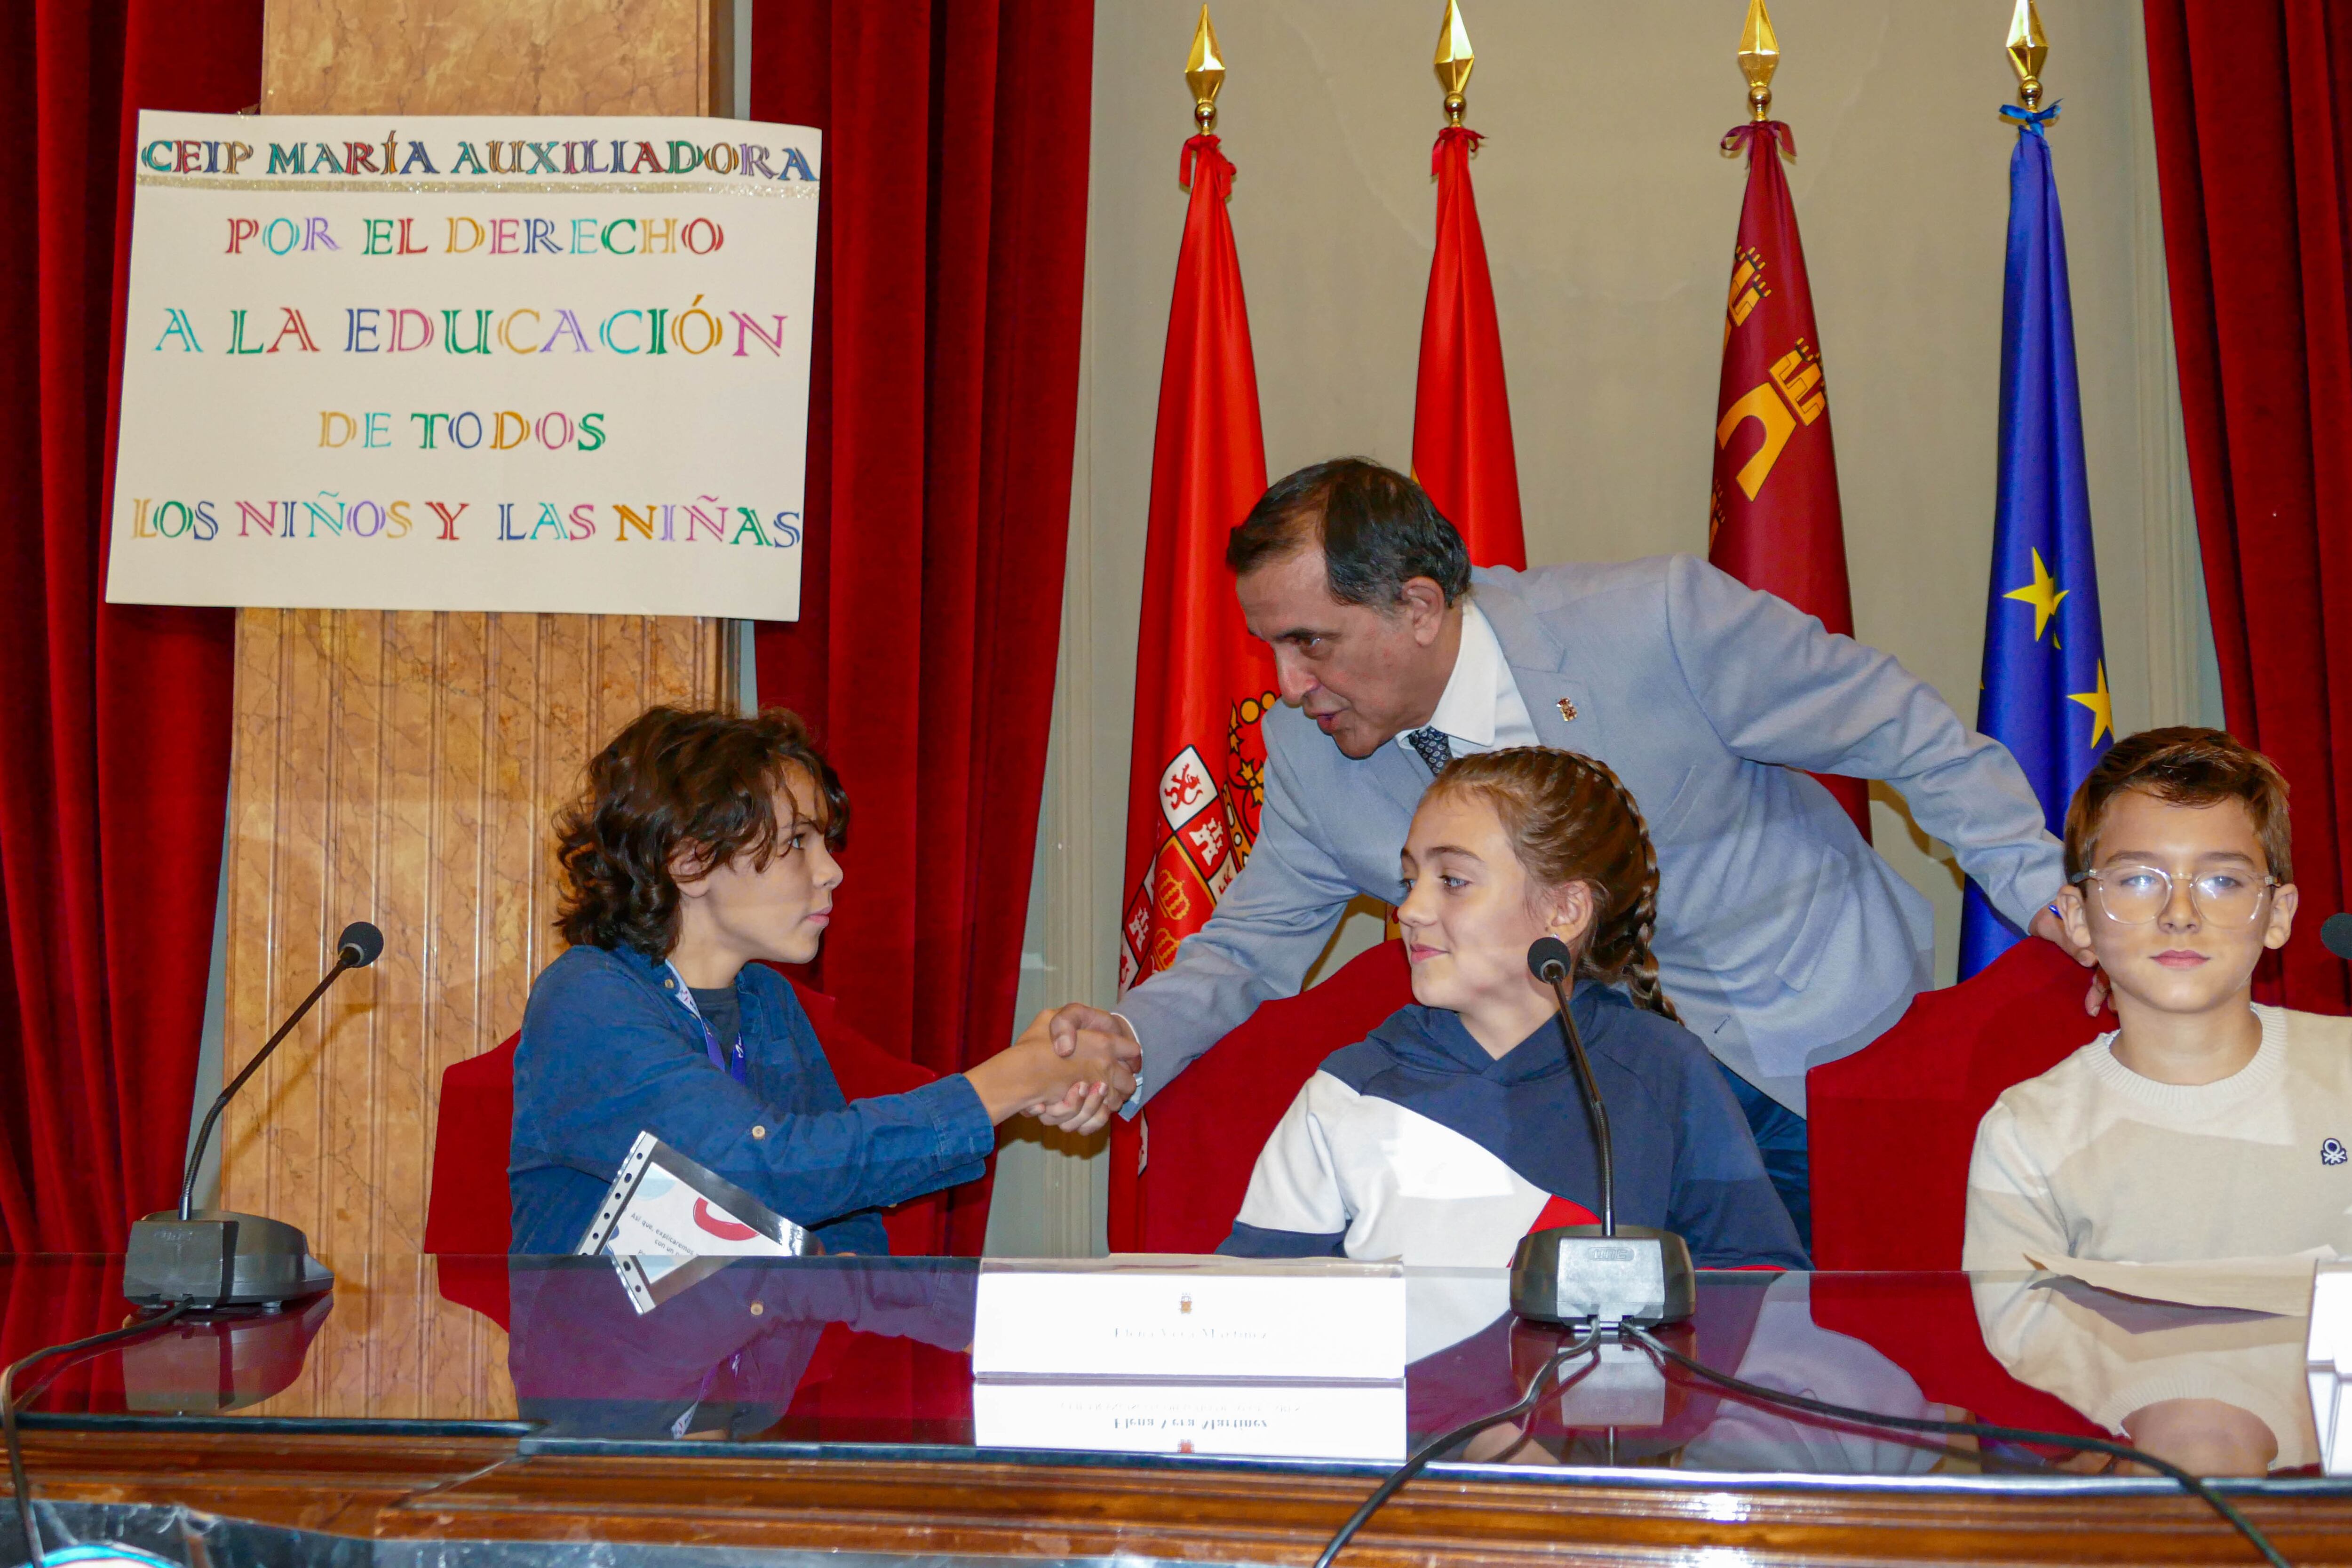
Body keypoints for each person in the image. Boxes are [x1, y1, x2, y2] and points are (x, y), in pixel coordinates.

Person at [1043, 458, 2079, 1247]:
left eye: (1310, 640)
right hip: (1562, 1100)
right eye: (1271, 643)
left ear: (1416, 605)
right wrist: (1129, 1039)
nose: (1286, 679)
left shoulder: (1658, 623)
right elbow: (1247, 946)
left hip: (1800, 1039)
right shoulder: (1312, 758)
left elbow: (1897, 728)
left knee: (1781, 1370)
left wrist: (2035, 880)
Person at [509, 705, 1133, 1256]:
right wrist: (1012, 1080)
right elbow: (765, 1169)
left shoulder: (766, 1000)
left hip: (757, 1381)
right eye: (799, 842)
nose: (831, 871)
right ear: (691, 862)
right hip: (626, 1387)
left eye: (824, 842)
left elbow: (841, 1216)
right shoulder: (588, 999)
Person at [1217, 748, 1806, 1269]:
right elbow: (1257, 1313)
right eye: (1408, 881)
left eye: (1451, 881)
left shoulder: (1663, 1071)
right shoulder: (1349, 1091)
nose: (1410, 910)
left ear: (1563, 912)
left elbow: (1753, 1280)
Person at [1964, 726, 2352, 1271]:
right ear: (2077, 918)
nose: (2179, 912)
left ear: (2277, 914)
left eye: (2220, 881)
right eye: (2138, 880)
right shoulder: (2028, 1133)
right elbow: (2025, 1339)